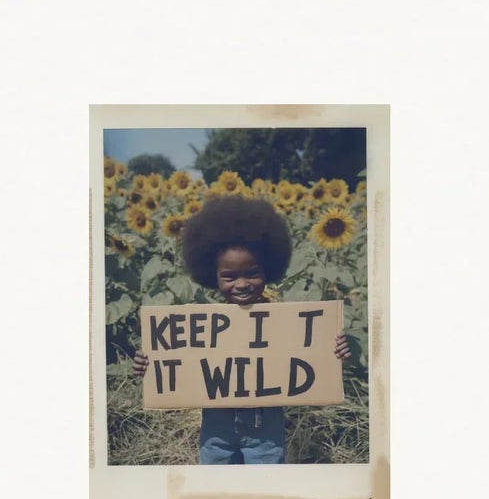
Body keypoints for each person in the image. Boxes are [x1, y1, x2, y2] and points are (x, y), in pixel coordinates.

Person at [133, 193, 350, 464]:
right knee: (218, 489)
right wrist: (149, 364)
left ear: (269, 269)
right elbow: (179, 361)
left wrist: (336, 349)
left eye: (252, 273)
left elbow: (313, 351)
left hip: (265, 432)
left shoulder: (284, 320)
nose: (242, 284)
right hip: (216, 431)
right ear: (212, 276)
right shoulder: (203, 324)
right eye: (229, 276)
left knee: (262, 492)